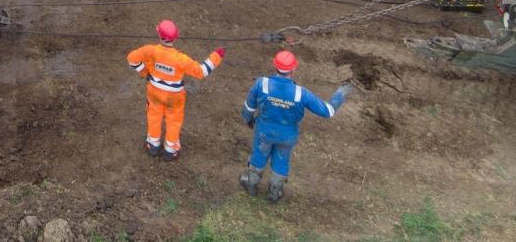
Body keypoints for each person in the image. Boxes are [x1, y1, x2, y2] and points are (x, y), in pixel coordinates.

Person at [240, 51, 353, 203]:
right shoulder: (301, 94)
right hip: (287, 136)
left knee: (259, 155)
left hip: (264, 132)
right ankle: (275, 192)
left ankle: (251, 183)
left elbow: (249, 106)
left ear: (275, 66)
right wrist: (341, 92)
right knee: (281, 161)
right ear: (293, 69)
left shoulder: (262, 84)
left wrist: (248, 120)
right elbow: (328, 111)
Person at [127, 20, 224, 161]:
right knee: (174, 121)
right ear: (176, 37)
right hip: (174, 98)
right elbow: (201, 72)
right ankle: (170, 150)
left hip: (154, 92)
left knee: (154, 117)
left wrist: (144, 72)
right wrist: (216, 56)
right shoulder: (181, 59)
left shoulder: (150, 50)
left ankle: (153, 144)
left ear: (159, 35)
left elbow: (131, 59)